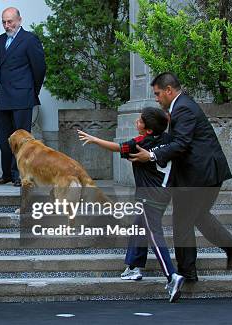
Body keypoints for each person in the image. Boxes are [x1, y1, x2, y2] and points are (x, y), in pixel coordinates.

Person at [129, 72, 232, 282]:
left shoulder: (183, 108)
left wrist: (151, 155)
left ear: (169, 91)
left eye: (157, 93)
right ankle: (228, 249)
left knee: (182, 222)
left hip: (200, 177)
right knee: (197, 217)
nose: (156, 98)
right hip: (202, 175)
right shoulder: (181, 107)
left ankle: (188, 272)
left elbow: (181, 144)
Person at [78, 107, 185, 303]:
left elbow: (117, 148)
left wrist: (94, 140)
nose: (137, 122)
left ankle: (172, 277)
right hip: (164, 192)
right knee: (138, 225)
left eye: (140, 121)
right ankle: (134, 267)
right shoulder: (168, 139)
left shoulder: (139, 144)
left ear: (148, 130)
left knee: (153, 233)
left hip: (149, 195)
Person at [0, 7, 46, 187]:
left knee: (22, 140)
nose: (7, 25)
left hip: (22, 96)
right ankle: (7, 173)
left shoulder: (30, 39)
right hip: (3, 96)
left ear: (19, 20)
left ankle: (19, 175)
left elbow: (39, 69)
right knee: (3, 138)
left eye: (10, 21)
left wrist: (32, 91)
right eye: (4, 22)